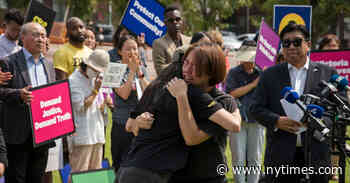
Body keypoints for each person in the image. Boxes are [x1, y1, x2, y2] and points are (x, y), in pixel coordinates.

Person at [117, 42, 240, 183]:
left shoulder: (217, 99)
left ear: (210, 70)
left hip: (209, 175)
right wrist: (140, 121)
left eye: (195, 66)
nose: (186, 69)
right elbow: (132, 126)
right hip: (172, 174)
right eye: (185, 63)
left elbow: (193, 138)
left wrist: (236, 112)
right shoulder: (172, 89)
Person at [250, 23, 337, 183]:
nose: (291, 46)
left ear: (308, 45)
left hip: (316, 156)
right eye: (286, 43)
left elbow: (335, 111)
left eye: (297, 42)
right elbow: (255, 108)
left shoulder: (327, 73)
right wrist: (276, 120)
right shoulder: (270, 74)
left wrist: (315, 122)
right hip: (279, 156)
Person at [0, 22, 55, 183]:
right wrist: (18, 95)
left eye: (43, 35)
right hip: (18, 134)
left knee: (37, 178)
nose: (41, 39)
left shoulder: (48, 65)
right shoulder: (8, 62)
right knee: (16, 179)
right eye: (36, 35)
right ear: (22, 37)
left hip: (43, 135)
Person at [225, 40, 263, 183]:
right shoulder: (233, 73)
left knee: (255, 157)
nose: (250, 62)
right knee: (238, 156)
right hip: (238, 120)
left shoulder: (263, 73)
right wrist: (254, 84)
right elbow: (231, 94)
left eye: (252, 58)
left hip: (256, 120)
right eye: (247, 58)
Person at [110, 35, 149, 175]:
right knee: (121, 166)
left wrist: (139, 73)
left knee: (138, 166)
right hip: (122, 124)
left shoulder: (142, 69)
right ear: (120, 51)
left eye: (135, 48)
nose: (132, 52)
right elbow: (124, 94)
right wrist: (131, 71)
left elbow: (149, 93)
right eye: (128, 49)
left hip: (140, 124)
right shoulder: (114, 69)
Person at [69, 49, 111, 174]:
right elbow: (80, 107)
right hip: (82, 134)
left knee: (95, 173)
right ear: (87, 65)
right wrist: (95, 91)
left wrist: (105, 101)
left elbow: (98, 105)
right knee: (79, 173)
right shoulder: (73, 80)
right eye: (96, 70)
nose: (98, 74)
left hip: (97, 133)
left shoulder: (95, 79)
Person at [152, 6, 191, 75]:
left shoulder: (189, 40)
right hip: (171, 84)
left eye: (178, 19)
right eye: (171, 20)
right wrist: (182, 64)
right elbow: (160, 70)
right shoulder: (158, 43)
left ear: (181, 21)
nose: (175, 22)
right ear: (165, 23)